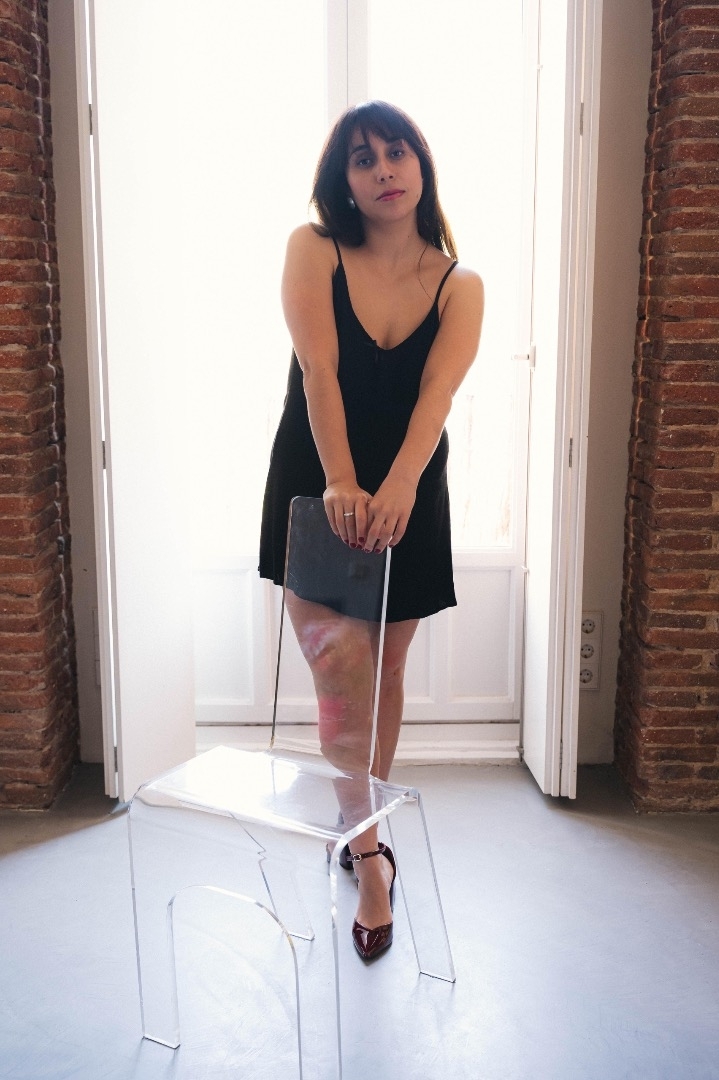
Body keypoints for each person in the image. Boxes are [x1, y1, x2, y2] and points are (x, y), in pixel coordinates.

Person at [259, 100, 484, 960]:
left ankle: (362, 831)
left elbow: (437, 396)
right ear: (343, 179)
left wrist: (396, 487)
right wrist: (343, 482)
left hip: (410, 489)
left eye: (396, 152)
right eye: (363, 158)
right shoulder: (313, 248)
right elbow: (318, 368)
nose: (383, 169)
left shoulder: (459, 282)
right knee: (340, 675)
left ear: (420, 164)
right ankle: (368, 859)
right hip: (317, 479)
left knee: (385, 671)